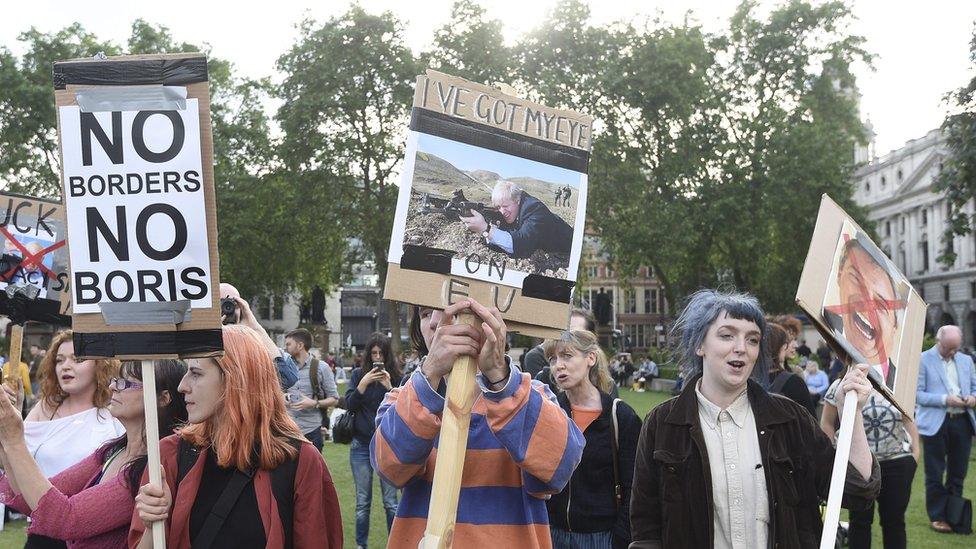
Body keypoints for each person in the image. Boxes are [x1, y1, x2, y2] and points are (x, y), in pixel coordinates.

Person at [629, 289, 880, 549]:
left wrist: (852, 410)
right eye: (727, 336)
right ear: (699, 344)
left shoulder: (789, 420)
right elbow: (646, 529)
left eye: (752, 340)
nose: (741, 348)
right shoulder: (662, 424)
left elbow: (858, 489)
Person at [374, 299, 585, 547]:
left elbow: (560, 466)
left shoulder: (532, 394)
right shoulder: (403, 398)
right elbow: (391, 469)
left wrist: (499, 377)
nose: (434, 322)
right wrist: (430, 372)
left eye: (452, 310)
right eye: (426, 313)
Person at [130, 324, 342, 548]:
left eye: (195, 373)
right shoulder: (170, 455)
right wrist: (153, 522)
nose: (182, 386)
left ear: (236, 379)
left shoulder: (301, 461)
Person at [0, 360, 187, 548]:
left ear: (163, 398)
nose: (113, 387)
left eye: (126, 383)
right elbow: (33, 500)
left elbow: (66, 519)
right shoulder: (111, 451)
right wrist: (5, 439)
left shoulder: (152, 469)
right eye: (116, 379)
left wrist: (14, 440)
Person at [23, 330, 125, 549]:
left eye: (77, 359)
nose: (65, 366)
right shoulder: (45, 408)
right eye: (59, 360)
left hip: (92, 532)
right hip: (43, 532)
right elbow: (16, 458)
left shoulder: (116, 413)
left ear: (100, 364)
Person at [544, 330, 640, 548]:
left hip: (601, 537)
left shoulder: (621, 416)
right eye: (553, 358)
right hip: (552, 534)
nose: (559, 365)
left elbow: (634, 487)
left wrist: (620, 538)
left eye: (567, 356)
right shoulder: (549, 412)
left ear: (590, 359)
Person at [821, 368, 919, 548]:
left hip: (897, 462)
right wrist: (833, 456)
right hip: (858, 468)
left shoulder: (896, 386)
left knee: (895, 522)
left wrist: (915, 455)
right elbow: (827, 423)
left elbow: (908, 420)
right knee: (859, 522)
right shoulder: (842, 385)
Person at [915, 325, 976, 533]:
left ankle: (954, 515)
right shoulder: (923, 359)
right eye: (949, 348)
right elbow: (918, 395)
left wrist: (972, 398)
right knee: (934, 472)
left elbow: (975, 388)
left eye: (956, 349)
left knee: (958, 473)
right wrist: (944, 399)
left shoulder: (966, 361)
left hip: (962, 421)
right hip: (935, 424)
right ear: (938, 342)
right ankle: (937, 516)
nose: (953, 353)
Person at [822, 235, 902, 390]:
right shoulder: (823, 322)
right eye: (857, 280)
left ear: (895, 326)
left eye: (881, 304)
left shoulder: (900, 388)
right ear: (839, 276)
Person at [345, 332, 402, 549]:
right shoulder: (359, 375)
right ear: (368, 355)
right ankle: (361, 545)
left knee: (391, 503)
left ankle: (394, 544)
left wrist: (390, 387)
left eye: (381, 354)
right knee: (362, 502)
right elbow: (349, 404)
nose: (377, 358)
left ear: (387, 356)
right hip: (361, 445)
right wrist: (362, 384)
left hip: (387, 445)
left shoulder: (396, 376)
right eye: (374, 353)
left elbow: (406, 409)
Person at [460, 179, 573, 258]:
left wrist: (486, 230)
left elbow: (522, 246)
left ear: (517, 200)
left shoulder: (534, 209)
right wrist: (490, 230)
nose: (502, 211)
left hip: (572, 246)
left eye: (505, 206)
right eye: (498, 207)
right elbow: (503, 245)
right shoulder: (514, 212)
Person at [219, 282, 298, 390]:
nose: (227, 310)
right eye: (220, 305)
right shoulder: (200, 350)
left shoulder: (257, 350)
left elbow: (286, 378)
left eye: (233, 304)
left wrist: (256, 328)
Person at [283, 328, 339, 451]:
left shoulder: (321, 367)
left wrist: (314, 403)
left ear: (300, 345)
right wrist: (282, 398)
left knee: (312, 470)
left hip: (312, 431)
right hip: (287, 430)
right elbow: (272, 393)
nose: (285, 348)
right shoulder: (283, 367)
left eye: (288, 344)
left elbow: (334, 399)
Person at [766, 323, 817, 417]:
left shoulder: (796, 372)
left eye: (795, 340)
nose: (795, 345)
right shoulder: (794, 380)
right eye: (789, 340)